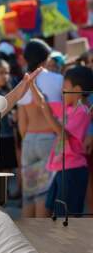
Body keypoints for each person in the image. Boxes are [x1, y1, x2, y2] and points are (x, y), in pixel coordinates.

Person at [30, 66, 93, 216]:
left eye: (65, 86)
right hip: (63, 169)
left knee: (67, 217)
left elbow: (63, 135)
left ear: (76, 90)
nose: (61, 90)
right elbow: (43, 103)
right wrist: (31, 84)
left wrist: (46, 111)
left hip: (73, 171)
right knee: (56, 213)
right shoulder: (70, 108)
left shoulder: (82, 111)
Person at [18, 39, 63, 218]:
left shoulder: (22, 82)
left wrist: (25, 140)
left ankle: (26, 240)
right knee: (44, 194)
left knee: (28, 195)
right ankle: (41, 241)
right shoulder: (58, 79)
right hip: (48, 139)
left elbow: (22, 122)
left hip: (29, 139)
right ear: (46, 58)